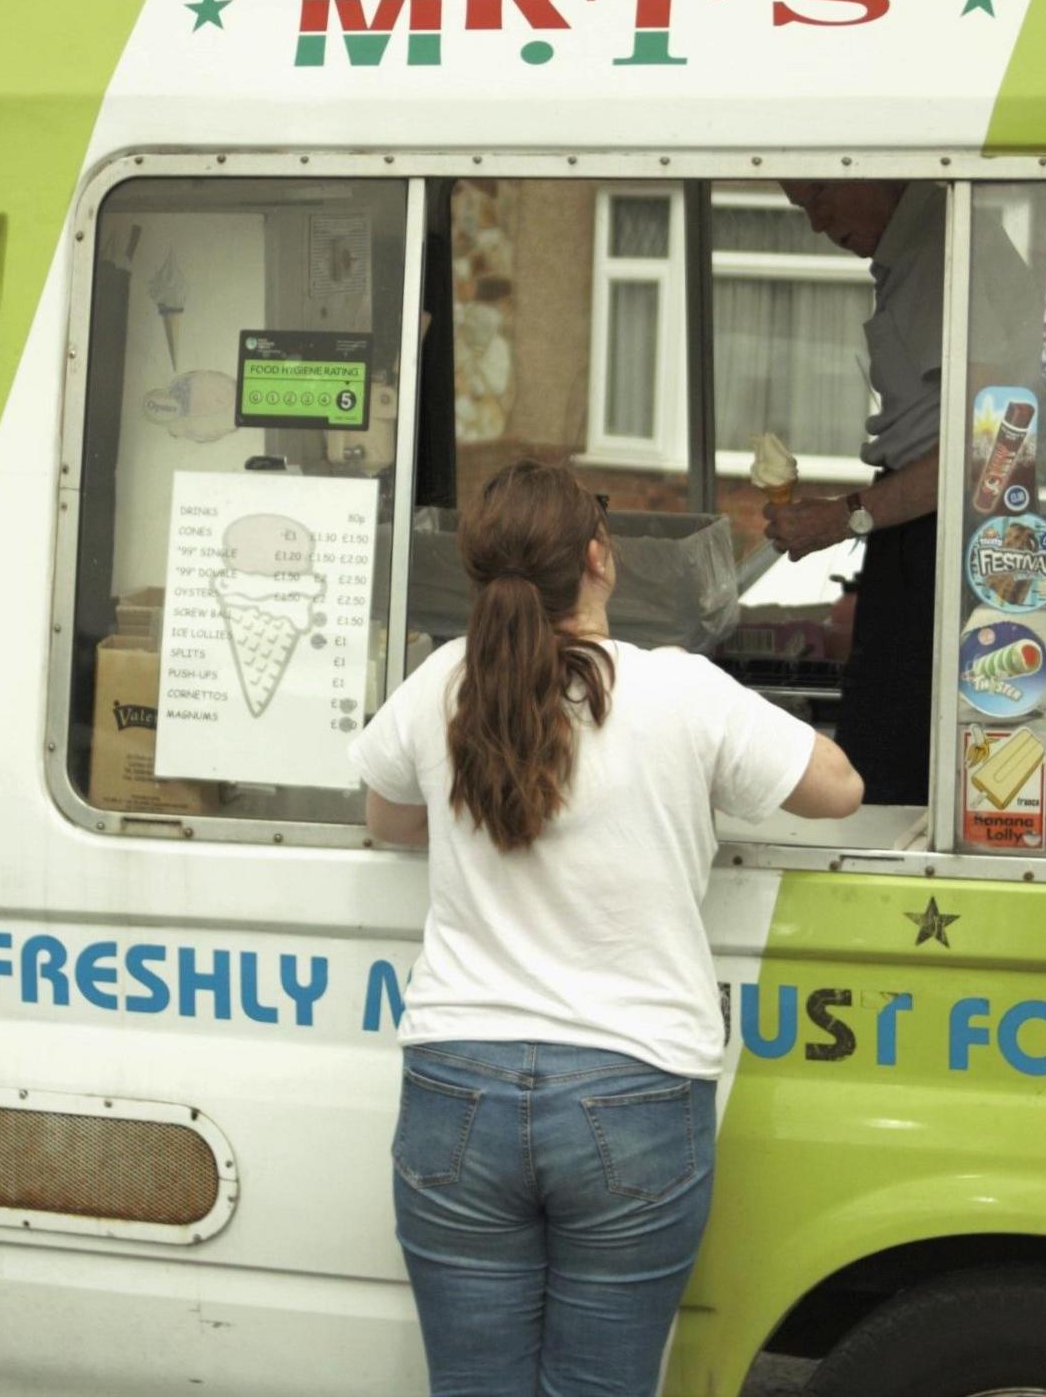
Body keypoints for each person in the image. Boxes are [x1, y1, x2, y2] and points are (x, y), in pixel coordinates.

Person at [356, 462, 863, 1397]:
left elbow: (387, 819)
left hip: (457, 1085)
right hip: (633, 1093)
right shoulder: (679, 692)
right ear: (599, 558)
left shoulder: (441, 686)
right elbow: (839, 789)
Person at [756, 178, 1027, 805]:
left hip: (949, 531)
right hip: (924, 526)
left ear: (868, 169)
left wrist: (846, 517)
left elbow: (986, 449)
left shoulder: (944, 242)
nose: (817, 224)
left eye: (820, 195)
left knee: (893, 760)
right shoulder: (918, 248)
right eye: (802, 208)